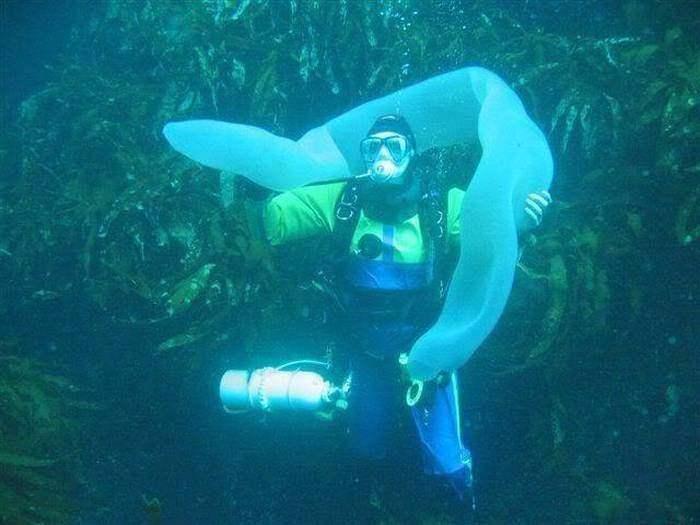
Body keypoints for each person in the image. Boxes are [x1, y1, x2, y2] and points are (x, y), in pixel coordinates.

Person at [244, 114, 551, 511]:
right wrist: (255, 180)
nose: (383, 156)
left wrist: (525, 215)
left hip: (426, 352)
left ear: (412, 154)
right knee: (366, 447)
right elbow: (273, 220)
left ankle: (456, 506)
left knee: (447, 465)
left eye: (395, 146)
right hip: (364, 349)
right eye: (373, 147)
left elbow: (494, 223)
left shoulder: (442, 206)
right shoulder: (343, 202)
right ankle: (374, 503)